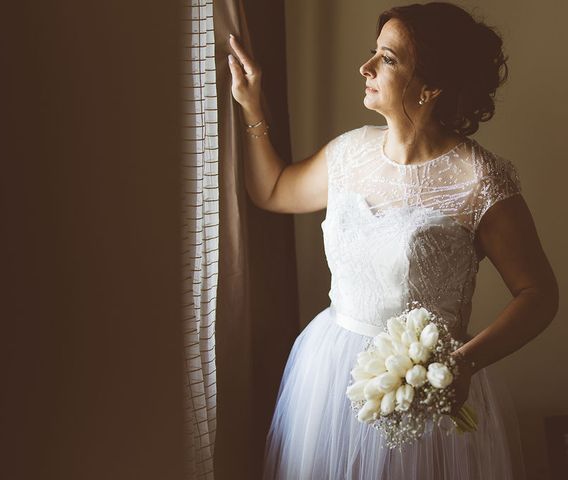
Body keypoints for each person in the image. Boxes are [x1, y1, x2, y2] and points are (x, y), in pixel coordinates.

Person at [227, 2, 558, 479]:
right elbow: (273, 191)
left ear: (431, 86)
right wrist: (252, 107)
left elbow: (540, 295)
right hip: (330, 375)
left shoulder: (480, 180)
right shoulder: (349, 153)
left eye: (387, 58)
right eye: (373, 53)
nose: (366, 67)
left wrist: (464, 363)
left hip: (426, 386)